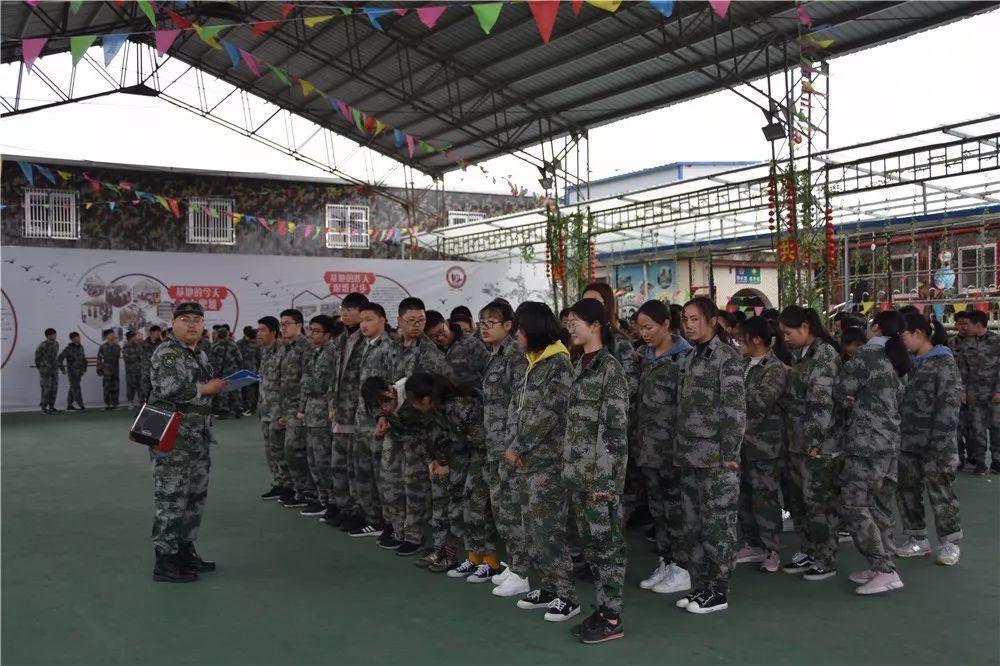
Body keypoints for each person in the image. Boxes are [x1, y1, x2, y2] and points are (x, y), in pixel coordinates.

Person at [561, 298, 629, 644]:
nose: (570, 328)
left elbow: (615, 431)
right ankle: (603, 610)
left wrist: (606, 480)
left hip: (598, 478)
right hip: (579, 475)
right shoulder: (580, 364)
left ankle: (612, 617)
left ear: (596, 326)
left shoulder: (609, 369)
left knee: (607, 548)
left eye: (575, 322)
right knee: (592, 548)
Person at [672, 297, 746, 614]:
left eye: (694, 319)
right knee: (692, 525)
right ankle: (701, 585)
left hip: (717, 458)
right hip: (690, 455)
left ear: (712, 320)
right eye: (685, 319)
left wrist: (730, 451)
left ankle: (718, 589)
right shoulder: (688, 358)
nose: (688, 324)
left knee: (718, 526)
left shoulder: (726, 358)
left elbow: (734, 409)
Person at [508, 301, 579, 623]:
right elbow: (521, 410)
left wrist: (519, 445)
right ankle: (549, 587)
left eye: (519, 329)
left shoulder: (558, 363)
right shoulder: (533, 361)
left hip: (548, 462)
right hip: (529, 461)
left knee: (549, 529)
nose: (516, 335)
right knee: (533, 528)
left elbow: (549, 414)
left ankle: (567, 595)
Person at [147, 301, 227, 583]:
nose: (192, 324)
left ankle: (184, 550)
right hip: (174, 437)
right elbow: (170, 388)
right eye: (185, 319)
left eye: (197, 320)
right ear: (174, 324)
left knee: (194, 499)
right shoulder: (168, 352)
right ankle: (165, 561)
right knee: (172, 499)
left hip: (198, 435)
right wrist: (207, 388)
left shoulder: (198, 354)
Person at [835, 310, 909, 594]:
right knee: (880, 505)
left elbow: (841, 391)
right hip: (889, 441)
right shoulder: (898, 358)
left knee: (854, 504)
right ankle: (883, 562)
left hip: (866, 443)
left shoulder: (866, 356)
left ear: (875, 328)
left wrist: (852, 401)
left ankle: (883, 568)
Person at [631, 300, 692, 594]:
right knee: (658, 510)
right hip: (647, 449)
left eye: (649, 327)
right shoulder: (641, 357)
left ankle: (683, 568)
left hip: (673, 449)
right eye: (640, 328)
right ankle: (666, 562)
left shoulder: (685, 359)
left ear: (666, 324)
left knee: (677, 508)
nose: (644, 333)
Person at [472, 299, 531, 596]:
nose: (484, 328)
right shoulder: (494, 355)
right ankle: (515, 563)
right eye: (481, 322)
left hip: (508, 447)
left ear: (509, 326)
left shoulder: (515, 356)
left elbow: (520, 405)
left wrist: (515, 444)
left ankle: (522, 572)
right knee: (501, 509)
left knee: (511, 508)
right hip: (493, 445)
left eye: (490, 323)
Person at [778, 306, 841, 579]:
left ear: (805, 327)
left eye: (788, 332)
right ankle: (808, 549)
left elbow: (821, 403)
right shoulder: (800, 354)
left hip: (817, 444)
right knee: (798, 500)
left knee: (818, 502)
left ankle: (825, 557)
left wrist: (815, 440)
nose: (786, 338)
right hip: (796, 440)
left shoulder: (824, 355)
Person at [896, 312, 963, 566]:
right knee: (907, 490)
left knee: (941, 492)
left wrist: (941, 444)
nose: (901, 342)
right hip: (908, 440)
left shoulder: (943, 362)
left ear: (918, 334)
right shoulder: (908, 363)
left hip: (936, 443)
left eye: (903, 336)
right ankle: (917, 538)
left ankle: (950, 542)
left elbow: (948, 406)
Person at [380, 297, 446, 555]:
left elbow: (429, 394)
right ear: (399, 321)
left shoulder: (429, 351)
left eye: (421, 320)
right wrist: (382, 414)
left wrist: (401, 412)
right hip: (393, 425)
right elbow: (382, 382)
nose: (417, 325)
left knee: (413, 483)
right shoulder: (391, 348)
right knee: (390, 479)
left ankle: (414, 534)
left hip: (418, 428)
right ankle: (397, 528)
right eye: (411, 321)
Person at [405, 372, 481, 575]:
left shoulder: (460, 406)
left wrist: (446, 461)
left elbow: (476, 439)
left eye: (414, 401)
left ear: (427, 398)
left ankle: (451, 553)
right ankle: (439, 549)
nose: (412, 405)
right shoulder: (437, 408)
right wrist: (437, 460)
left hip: (470, 458)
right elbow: (435, 436)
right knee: (440, 503)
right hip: (450, 457)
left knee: (456, 506)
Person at [735, 317, 788, 573]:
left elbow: (762, 401)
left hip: (765, 446)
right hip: (741, 444)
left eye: (740, 337)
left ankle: (771, 548)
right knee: (744, 495)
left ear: (756, 339)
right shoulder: (743, 364)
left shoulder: (775, 368)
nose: (737, 343)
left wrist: (732, 393)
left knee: (765, 498)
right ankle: (752, 542)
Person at [325, 293, 370, 531]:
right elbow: (335, 377)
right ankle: (345, 506)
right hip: (340, 413)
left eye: (350, 308)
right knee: (339, 465)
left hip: (360, 415)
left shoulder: (370, 340)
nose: (344, 312)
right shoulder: (341, 339)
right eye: (343, 308)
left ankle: (361, 511)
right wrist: (333, 405)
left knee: (358, 469)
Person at [350, 303, 394, 538]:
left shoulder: (389, 348)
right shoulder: (365, 347)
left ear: (383, 320)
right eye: (361, 321)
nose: (364, 324)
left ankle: (389, 523)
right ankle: (373, 519)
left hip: (379, 423)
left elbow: (389, 389)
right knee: (364, 473)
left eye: (369, 319)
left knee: (382, 475)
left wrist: (384, 417)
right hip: (362, 422)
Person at [297, 315, 337, 517]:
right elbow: (308, 382)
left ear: (328, 334)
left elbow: (318, 385)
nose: (311, 334)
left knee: (323, 461)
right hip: (312, 414)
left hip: (322, 415)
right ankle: (322, 499)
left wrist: (306, 380)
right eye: (310, 329)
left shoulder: (330, 353)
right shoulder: (317, 352)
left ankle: (330, 501)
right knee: (313, 460)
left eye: (316, 331)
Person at [953, 310, 1000, 475]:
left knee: (996, 428)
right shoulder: (966, 343)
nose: (967, 328)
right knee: (977, 428)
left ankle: (997, 461)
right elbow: (963, 369)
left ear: (978, 325)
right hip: (974, 392)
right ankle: (980, 462)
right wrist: (963, 390)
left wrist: (998, 390)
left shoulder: (997, 341)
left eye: (970, 324)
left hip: (994, 392)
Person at [277, 309, 315, 509]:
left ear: (299, 325)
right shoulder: (285, 347)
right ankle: (298, 489)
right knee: (290, 451)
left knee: (297, 450)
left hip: (300, 410)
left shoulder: (305, 348)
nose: (283, 328)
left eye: (287, 324)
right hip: (287, 408)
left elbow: (307, 381)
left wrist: (301, 410)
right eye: (281, 324)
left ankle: (307, 492)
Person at [257, 316, 291, 502]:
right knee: (271, 451)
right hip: (266, 410)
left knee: (281, 450)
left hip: (278, 411)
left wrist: (284, 412)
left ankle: (288, 485)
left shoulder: (283, 351)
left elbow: (287, 384)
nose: (259, 333)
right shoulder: (266, 352)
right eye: (258, 330)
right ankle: (279, 482)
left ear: (273, 332)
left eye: (262, 330)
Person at [210, 326, 243, 419]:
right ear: (227, 335)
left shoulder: (215, 346)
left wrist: (215, 371)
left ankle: (224, 411)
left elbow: (211, 361)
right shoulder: (233, 345)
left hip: (221, 373)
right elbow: (240, 358)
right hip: (233, 371)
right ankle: (237, 411)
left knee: (223, 391)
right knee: (235, 390)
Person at [58, 332, 87, 411]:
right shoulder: (68, 348)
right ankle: (81, 405)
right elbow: (59, 358)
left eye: (79, 337)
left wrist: (84, 369)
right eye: (77, 337)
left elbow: (84, 359)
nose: (79, 338)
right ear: (72, 339)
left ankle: (69, 405)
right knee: (76, 388)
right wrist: (63, 369)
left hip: (80, 372)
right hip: (72, 373)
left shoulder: (81, 347)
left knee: (73, 388)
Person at [237, 326, 262, 416]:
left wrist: (260, 370)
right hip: (242, 370)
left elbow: (260, 358)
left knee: (252, 391)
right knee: (244, 390)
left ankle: (251, 408)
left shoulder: (258, 344)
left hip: (253, 371)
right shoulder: (240, 343)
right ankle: (245, 407)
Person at [34, 328, 60, 415]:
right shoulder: (42, 346)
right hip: (45, 372)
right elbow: (37, 358)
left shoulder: (56, 344)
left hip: (54, 371)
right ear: (48, 336)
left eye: (55, 334)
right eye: (53, 334)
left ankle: (51, 407)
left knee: (54, 389)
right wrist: (42, 369)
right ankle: (44, 408)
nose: (55, 336)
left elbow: (55, 357)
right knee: (46, 390)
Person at [96, 329, 121, 410]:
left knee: (116, 388)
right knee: (106, 388)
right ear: (106, 336)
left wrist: (114, 344)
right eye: (110, 335)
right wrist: (99, 369)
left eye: (113, 334)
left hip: (115, 370)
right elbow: (99, 358)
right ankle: (107, 404)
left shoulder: (117, 346)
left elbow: (117, 356)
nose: (112, 336)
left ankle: (115, 404)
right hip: (106, 371)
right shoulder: (102, 347)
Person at [139, 326, 163, 403]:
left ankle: (161, 407)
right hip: (146, 371)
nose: (159, 333)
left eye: (159, 332)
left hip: (158, 372)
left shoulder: (162, 344)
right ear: (152, 333)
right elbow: (139, 357)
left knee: (160, 391)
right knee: (144, 390)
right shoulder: (143, 344)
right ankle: (143, 406)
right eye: (157, 332)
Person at [122, 331, 144, 407]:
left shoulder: (139, 345)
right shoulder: (125, 347)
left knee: (140, 387)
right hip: (130, 371)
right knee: (131, 387)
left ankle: (142, 402)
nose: (135, 338)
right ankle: (130, 402)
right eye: (134, 337)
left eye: (135, 336)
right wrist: (137, 356)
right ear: (129, 338)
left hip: (139, 370)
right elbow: (127, 358)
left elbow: (142, 355)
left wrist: (136, 356)